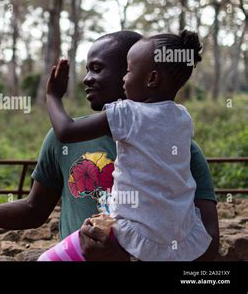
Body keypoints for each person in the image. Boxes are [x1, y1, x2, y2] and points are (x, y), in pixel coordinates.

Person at [0, 31, 219, 261]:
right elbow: (32, 209)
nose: (85, 79)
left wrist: (124, 260)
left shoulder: (181, 151)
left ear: (134, 76)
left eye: (96, 69)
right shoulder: (61, 142)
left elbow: (208, 246)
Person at [39, 30, 211, 261]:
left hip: (130, 233)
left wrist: (53, 96)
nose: (124, 79)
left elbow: (66, 131)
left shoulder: (127, 112)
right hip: (175, 235)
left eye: (128, 71)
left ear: (151, 79)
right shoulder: (182, 118)